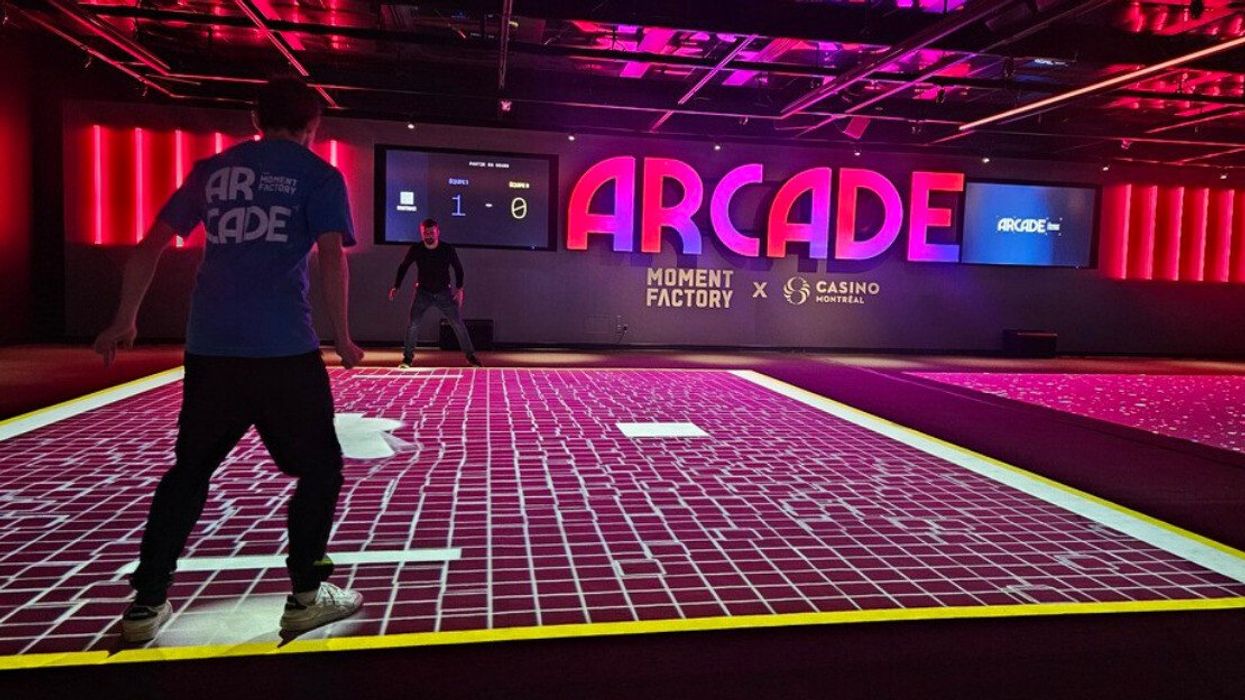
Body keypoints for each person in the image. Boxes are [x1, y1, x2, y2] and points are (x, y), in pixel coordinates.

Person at [93, 77, 365, 643]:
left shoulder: (214, 172)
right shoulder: (319, 175)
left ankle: (145, 604)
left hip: (211, 348)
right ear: (313, 125)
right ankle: (306, 597)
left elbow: (150, 246)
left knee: (189, 472)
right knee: (320, 468)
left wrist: (124, 318)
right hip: (284, 349)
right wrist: (341, 337)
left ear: (254, 118)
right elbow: (332, 261)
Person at [388, 218, 482, 368]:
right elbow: (404, 266)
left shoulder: (447, 249)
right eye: (426, 233)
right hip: (423, 292)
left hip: (444, 292)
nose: (429, 236)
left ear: (438, 232)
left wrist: (460, 289)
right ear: (422, 234)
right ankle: (407, 359)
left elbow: (458, 268)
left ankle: (471, 357)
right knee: (413, 324)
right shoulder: (417, 249)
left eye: (431, 233)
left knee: (457, 324)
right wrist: (396, 286)